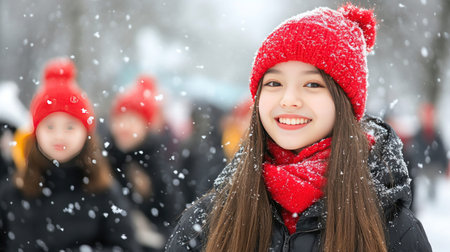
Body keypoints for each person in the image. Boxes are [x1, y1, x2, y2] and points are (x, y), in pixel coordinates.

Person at [166, 4, 431, 252]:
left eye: (312, 84)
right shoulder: (208, 220)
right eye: (273, 84)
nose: (288, 99)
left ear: (345, 103)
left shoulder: (393, 229)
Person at [0, 58, 141, 251]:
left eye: (70, 126)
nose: (59, 136)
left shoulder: (104, 192)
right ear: (35, 132)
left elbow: (126, 246)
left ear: (86, 133)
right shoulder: (13, 192)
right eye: (50, 126)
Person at [106, 75, 183, 251]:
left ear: (146, 126)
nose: (123, 126)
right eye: (119, 119)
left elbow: (171, 214)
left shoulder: (156, 161)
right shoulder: (104, 157)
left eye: (132, 120)